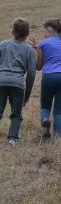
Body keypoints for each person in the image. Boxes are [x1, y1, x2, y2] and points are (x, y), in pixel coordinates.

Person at [28, 17, 61, 139]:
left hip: (49, 77)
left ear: (49, 30)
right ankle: (57, 138)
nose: (43, 33)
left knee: (45, 106)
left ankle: (45, 119)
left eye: (44, 30)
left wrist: (37, 50)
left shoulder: (43, 43)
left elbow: (39, 67)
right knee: (58, 111)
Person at [1, 19, 37, 147]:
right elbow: (32, 74)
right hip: (18, 84)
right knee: (16, 113)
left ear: (13, 31)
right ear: (27, 33)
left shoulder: (2, 45)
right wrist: (26, 95)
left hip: (1, 81)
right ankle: (12, 139)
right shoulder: (29, 51)